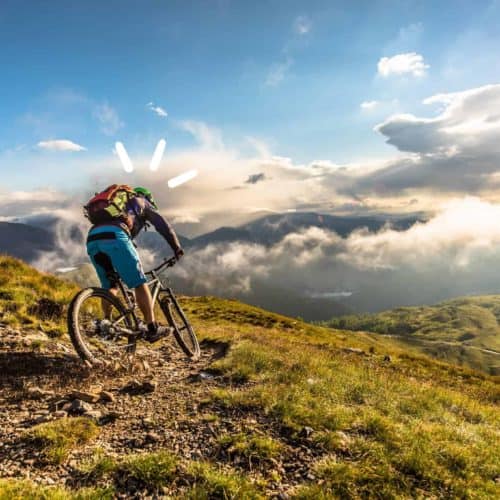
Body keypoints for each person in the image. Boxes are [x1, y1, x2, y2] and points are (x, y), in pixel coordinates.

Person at [85, 186, 184, 342]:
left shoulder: (115, 206)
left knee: (110, 286)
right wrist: (176, 247)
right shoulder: (141, 202)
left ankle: (107, 325)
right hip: (115, 236)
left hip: (92, 238)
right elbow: (163, 226)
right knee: (139, 282)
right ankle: (152, 328)